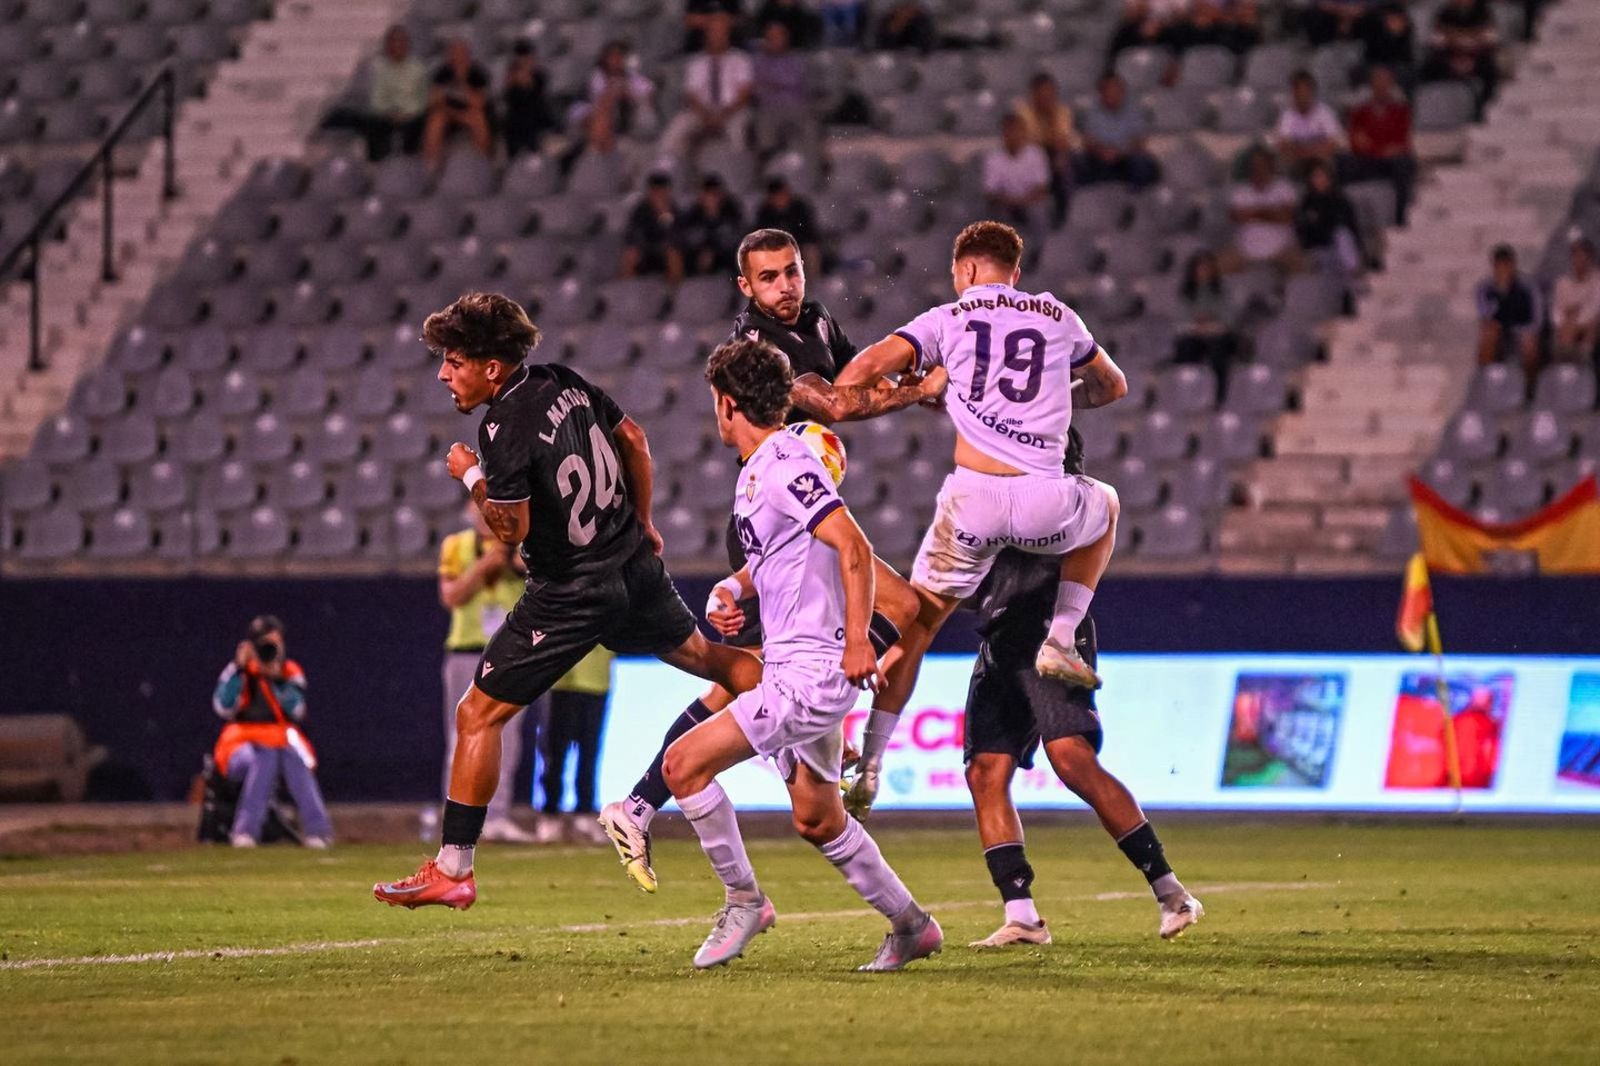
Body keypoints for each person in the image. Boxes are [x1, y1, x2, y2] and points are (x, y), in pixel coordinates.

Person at [372, 292, 763, 909]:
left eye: (454, 361)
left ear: (491, 367)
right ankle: (814, 705)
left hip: (571, 588)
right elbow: (634, 438)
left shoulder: (499, 428)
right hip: (631, 562)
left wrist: (470, 474)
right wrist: (644, 522)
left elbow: (511, 531)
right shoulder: (564, 381)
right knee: (709, 658)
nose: (444, 375)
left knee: (478, 716)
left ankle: (454, 867)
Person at [598, 228, 947, 893]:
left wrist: (913, 387)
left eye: (792, 272)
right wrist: (920, 382)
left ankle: (641, 806)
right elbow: (843, 403)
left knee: (751, 685)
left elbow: (854, 379)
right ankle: (850, 750)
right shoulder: (756, 347)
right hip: (777, 514)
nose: (784, 287)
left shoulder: (815, 318)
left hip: (807, 506)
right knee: (896, 613)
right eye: (768, 278)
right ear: (745, 287)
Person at [660, 337, 943, 971]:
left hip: (809, 675)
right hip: (797, 666)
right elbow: (782, 558)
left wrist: (858, 645)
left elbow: (852, 547)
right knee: (817, 817)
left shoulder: (786, 463)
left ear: (727, 403)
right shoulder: (760, 469)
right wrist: (733, 586)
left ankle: (744, 900)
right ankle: (912, 926)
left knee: (683, 766)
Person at [832, 221, 1130, 814]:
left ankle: (868, 763)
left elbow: (856, 375)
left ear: (965, 270)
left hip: (973, 503)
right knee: (1107, 504)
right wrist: (1057, 394)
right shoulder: (1056, 316)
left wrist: (922, 389)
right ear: (1014, 272)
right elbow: (1112, 386)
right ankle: (1063, 638)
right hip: (1045, 502)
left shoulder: (947, 319)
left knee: (916, 628)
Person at [905, 428, 1202, 945]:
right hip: (1001, 642)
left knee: (1072, 761)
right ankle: (1022, 916)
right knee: (984, 771)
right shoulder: (994, 502)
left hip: (1050, 640)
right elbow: (968, 584)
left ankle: (1172, 892)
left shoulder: (1069, 505)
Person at [434, 503, 536, 845]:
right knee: (460, 735)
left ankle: (498, 816)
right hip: (466, 648)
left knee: (508, 738)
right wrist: (484, 567)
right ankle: (457, 818)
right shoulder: (456, 545)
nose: (484, 515)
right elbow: (450, 596)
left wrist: (508, 557)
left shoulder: (523, 546)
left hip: (510, 651)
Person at [212, 615, 333, 849]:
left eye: (276, 643)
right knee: (264, 756)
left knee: (293, 758)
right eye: (266, 644)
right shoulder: (239, 670)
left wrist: (276, 680)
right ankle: (245, 831)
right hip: (242, 745)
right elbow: (222, 707)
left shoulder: (289, 672)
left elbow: (297, 710)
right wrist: (240, 668)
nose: (271, 649)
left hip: (280, 743)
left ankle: (318, 831)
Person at [532, 647, 615, 845]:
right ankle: (550, 813)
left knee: (590, 751)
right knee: (554, 751)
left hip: (596, 678)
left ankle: (584, 813)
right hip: (561, 679)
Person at [662, 14, 755, 164]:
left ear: (728, 36)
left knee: (737, 131)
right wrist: (706, 116)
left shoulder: (741, 59)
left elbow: (744, 94)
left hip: (733, 110)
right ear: (707, 35)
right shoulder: (696, 62)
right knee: (675, 129)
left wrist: (724, 114)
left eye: (721, 32)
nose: (718, 37)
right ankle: (668, 175)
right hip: (701, 111)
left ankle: (737, 178)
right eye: (714, 32)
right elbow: (691, 96)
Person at [1342, 64, 1415, 225]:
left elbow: (1402, 142)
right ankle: (1343, 218)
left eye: (1385, 81)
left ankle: (1400, 218)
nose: (1381, 85)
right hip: (1368, 161)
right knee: (1343, 161)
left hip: (1391, 163)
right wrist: (1380, 148)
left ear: (1391, 85)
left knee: (1405, 163)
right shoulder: (1360, 112)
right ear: (1371, 85)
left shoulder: (1400, 111)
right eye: (1377, 81)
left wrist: (1377, 146)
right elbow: (1356, 141)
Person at [1220, 146, 1304, 274]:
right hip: (1244, 250)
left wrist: (1252, 213)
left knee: (1304, 271)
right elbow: (1236, 218)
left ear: (1271, 165)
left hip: (1282, 249)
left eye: (1263, 163)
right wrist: (1270, 212)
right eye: (1255, 164)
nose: (1259, 168)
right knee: (1215, 269)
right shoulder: (1240, 191)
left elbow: (1287, 218)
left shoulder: (1285, 187)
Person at [1012, 73, 1078, 226]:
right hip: (1028, 156)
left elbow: (1062, 141)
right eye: (1042, 93)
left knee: (1066, 166)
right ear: (1033, 94)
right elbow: (1026, 143)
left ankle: (1065, 217)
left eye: (1051, 93)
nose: (1047, 97)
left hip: (1051, 154)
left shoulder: (1062, 111)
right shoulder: (1022, 111)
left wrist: (1051, 118)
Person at [1074, 73, 1160, 189]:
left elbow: (1140, 141)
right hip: (1100, 156)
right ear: (1101, 93)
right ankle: (1091, 201)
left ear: (1122, 92)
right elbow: (1088, 140)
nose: (1111, 94)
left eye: (1115, 90)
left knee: (1144, 163)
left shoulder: (1134, 110)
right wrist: (1101, 150)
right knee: (1079, 161)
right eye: (1107, 91)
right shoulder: (1092, 111)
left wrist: (1120, 152)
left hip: (1126, 156)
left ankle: (1135, 202)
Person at [1174, 250, 1239, 400]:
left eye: (1207, 268)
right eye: (1200, 268)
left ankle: (1219, 396)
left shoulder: (1222, 292)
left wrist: (1210, 327)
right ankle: (1187, 394)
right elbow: (1180, 323)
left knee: (1219, 351)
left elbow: (1228, 321)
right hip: (1193, 336)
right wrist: (1197, 327)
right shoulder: (1185, 294)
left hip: (1218, 336)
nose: (1203, 272)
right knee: (1185, 348)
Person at [751, 21, 819, 161]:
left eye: (777, 37)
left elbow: (793, 80)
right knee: (764, 123)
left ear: (786, 38)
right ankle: (770, 171)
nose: (773, 41)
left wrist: (770, 83)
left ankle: (811, 169)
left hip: (797, 106)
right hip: (769, 107)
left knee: (810, 125)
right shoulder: (759, 60)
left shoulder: (798, 59)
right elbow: (756, 88)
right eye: (770, 37)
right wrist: (776, 84)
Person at [362, 25, 430, 161]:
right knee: (372, 122)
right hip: (389, 115)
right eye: (394, 42)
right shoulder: (381, 70)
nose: (398, 46)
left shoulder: (419, 69)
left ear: (407, 45)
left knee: (417, 124)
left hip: (413, 115)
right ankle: (377, 165)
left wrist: (407, 114)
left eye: (401, 42)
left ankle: (408, 164)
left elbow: (423, 100)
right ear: (388, 46)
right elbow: (377, 101)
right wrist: (391, 114)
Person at [568, 40, 656, 142]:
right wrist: (615, 91)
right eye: (612, 57)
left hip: (626, 113)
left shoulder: (629, 75)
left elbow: (648, 88)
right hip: (598, 111)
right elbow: (599, 95)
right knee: (578, 111)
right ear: (605, 58)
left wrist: (628, 91)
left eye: (619, 57)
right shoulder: (597, 76)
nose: (616, 60)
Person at [982, 114, 1051, 244]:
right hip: (1006, 203)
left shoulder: (1036, 154)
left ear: (1024, 133)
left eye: (1017, 131)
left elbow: (1042, 188)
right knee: (994, 213)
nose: (1014, 136)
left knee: (1039, 211)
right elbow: (990, 192)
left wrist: (1023, 201)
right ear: (1003, 134)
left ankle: (1041, 251)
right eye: (1009, 131)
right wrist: (1009, 201)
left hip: (1030, 202)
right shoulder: (993, 158)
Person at [423, 38, 493, 165]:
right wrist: (456, 112)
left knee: (479, 119)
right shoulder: (442, 72)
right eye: (454, 54)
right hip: (448, 112)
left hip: (471, 113)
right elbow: (434, 100)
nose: (458, 58)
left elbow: (479, 103)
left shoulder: (478, 73)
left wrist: (460, 88)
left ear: (468, 55)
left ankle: (483, 164)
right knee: (435, 120)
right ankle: (430, 166)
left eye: (462, 54)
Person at [1474, 244, 1542, 377]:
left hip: (1523, 330)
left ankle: (1529, 388)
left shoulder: (1529, 287)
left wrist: (1525, 332)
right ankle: (1486, 381)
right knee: (1488, 335)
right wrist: (1501, 291)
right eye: (1499, 267)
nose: (1503, 270)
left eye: (1506, 266)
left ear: (1513, 265)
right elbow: (1484, 317)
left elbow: (1536, 320)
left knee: (1529, 344)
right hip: (1499, 331)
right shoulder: (1484, 288)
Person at [1422, 0, 1499, 113]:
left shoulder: (1484, 13)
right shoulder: (1444, 13)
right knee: (1429, 68)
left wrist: (1463, 43)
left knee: (1490, 69)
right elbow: (1437, 40)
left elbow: (1490, 39)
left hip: (1476, 57)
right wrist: (1455, 53)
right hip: (1449, 58)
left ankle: (1482, 109)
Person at [1295, 159, 1365, 277]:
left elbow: (1352, 227)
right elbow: (1303, 230)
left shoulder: (1341, 200)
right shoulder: (1306, 203)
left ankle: (1354, 274)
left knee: (1342, 234)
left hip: (1340, 249)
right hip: (1318, 249)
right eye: (1316, 176)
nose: (1320, 180)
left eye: (1323, 176)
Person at [620, 173, 687, 282]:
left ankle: (673, 293)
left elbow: (676, 239)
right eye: (655, 192)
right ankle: (628, 291)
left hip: (665, 252)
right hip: (645, 251)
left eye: (662, 192)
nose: (659, 196)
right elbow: (634, 237)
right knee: (630, 254)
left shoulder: (675, 211)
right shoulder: (640, 212)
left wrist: (664, 216)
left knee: (674, 254)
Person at [1275, 70, 1344, 174]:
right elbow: (1283, 144)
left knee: (1329, 161)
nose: (1301, 94)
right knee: (1282, 161)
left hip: (1319, 158)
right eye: (1297, 90)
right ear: (1293, 93)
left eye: (1305, 90)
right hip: (1297, 159)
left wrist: (1307, 152)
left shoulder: (1325, 112)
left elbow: (1332, 143)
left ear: (1312, 91)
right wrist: (1305, 152)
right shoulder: (1287, 115)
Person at [679, 174, 747, 277]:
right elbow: (686, 242)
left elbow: (739, 241)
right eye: (708, 194)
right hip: (696, 267)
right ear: (701, 196)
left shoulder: (732, 215)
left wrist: (714, 252)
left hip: (727, 267)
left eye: (715, 194)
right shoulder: (691, 218)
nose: (712, 199)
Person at [1551, 237, 1600, 365]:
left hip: (1589, 325)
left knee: (1592, 326)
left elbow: (1594, 308)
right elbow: (1556, 312)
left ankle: (1585, 370)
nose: (1580, 261)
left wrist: (1574, 320)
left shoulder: (1597, 280)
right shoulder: (1562, 282)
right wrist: (1567, 322)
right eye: (1576, 257)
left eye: (1583, 257)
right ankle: (1564, 373)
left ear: (1590, 259)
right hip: (1567, 327)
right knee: (1563, 333)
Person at [501, 39, 554, 158]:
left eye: (528, 57)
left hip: (537, 121)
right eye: (522, 57)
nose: (525, 61)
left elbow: (537, 100)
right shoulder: (510, 79)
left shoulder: (540, 76)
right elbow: (510, 101)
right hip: (517, 126)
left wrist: (526, 80)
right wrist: (515, 80)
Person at [752, 177, 821, 265]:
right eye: (777, 197)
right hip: (775, 249)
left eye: (782, 195)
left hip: (799, 246)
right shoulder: (764, 213)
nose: (780, 199)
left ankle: (812, 278)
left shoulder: (800, 208)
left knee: (810, 251)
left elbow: (809, 233)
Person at [755, 0, 822, 49]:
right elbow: (758, 33)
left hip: (795, 51)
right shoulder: (765, 11)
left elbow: (806, 40)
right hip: (767, 53)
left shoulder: (803, 14)